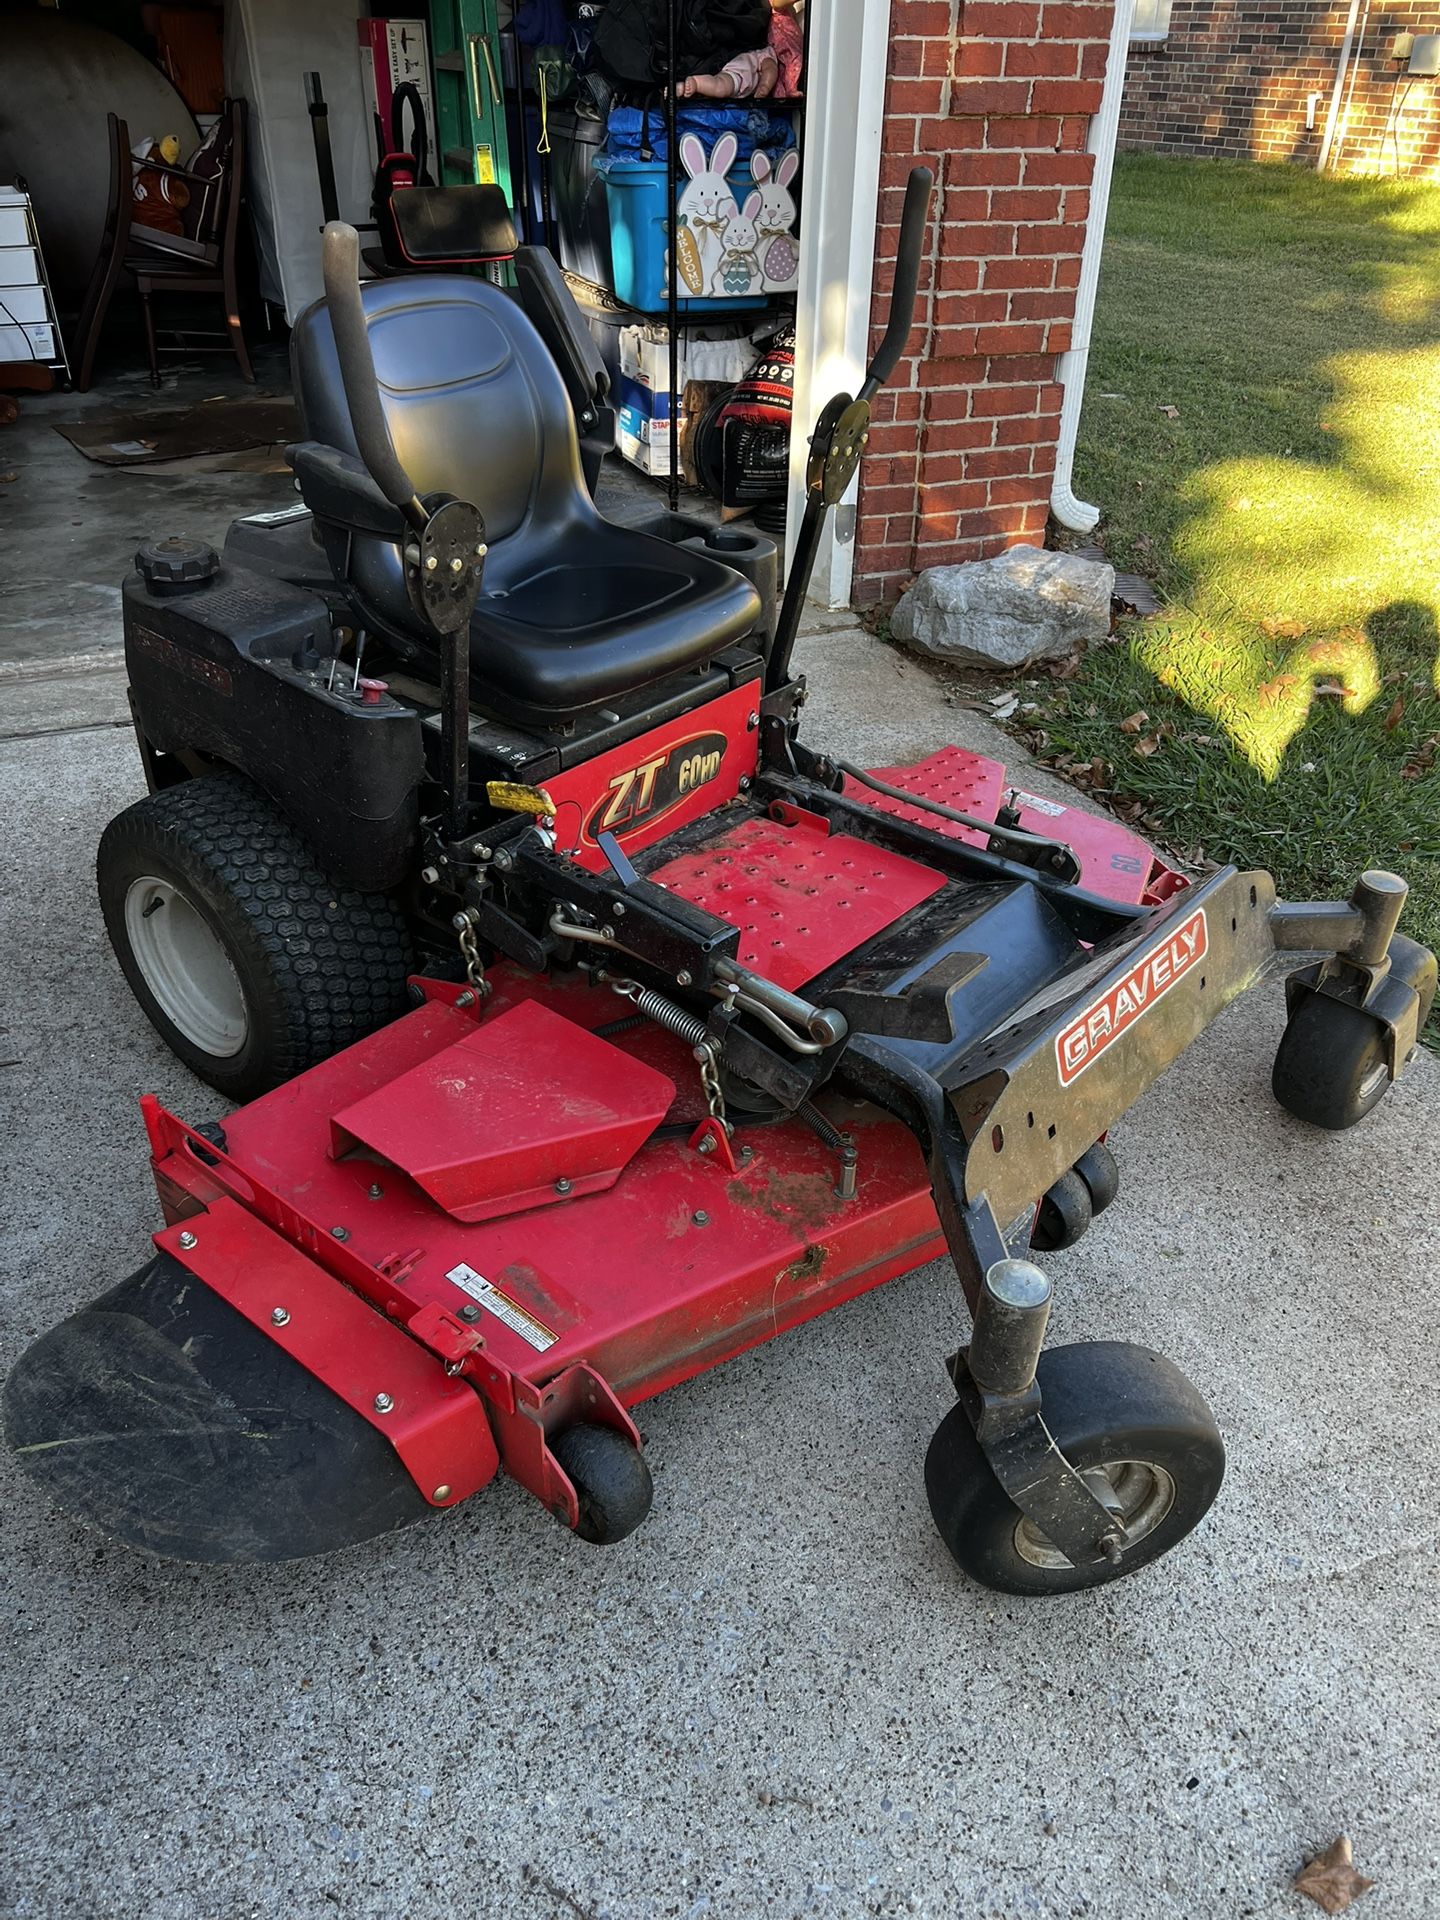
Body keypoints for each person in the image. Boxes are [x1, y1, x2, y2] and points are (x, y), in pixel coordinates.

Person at [677, 0, 803, 101]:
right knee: (720, 86)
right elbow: (770, 69)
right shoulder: (766, 54)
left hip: (734, 71)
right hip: (736, 72)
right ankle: (695, 83)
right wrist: (765, 85)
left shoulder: (764, 50)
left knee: (720, 85)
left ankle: (691, 84)